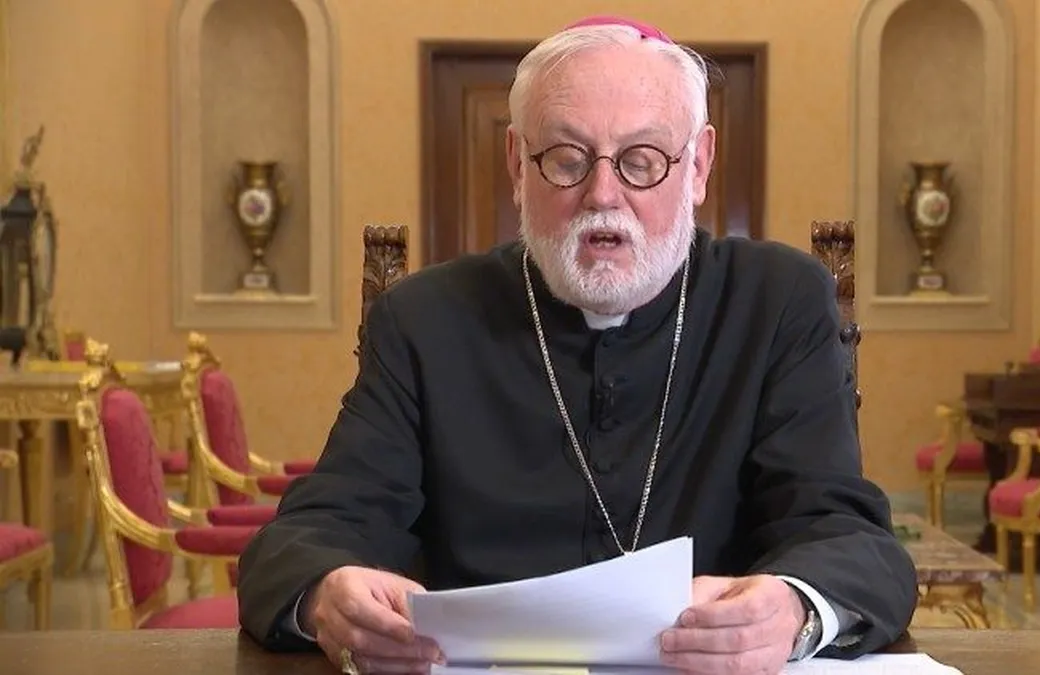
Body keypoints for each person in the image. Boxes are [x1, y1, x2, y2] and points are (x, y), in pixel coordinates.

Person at [237, 14, 917, 675]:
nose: (603, 195)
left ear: (698, 165)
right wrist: (327, 593)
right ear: (517, 163)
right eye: (566, 159)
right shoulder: (424, 319)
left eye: (642, 161)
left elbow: (847, 534)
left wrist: (792, 609)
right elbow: (309, 535)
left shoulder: (776, 303)